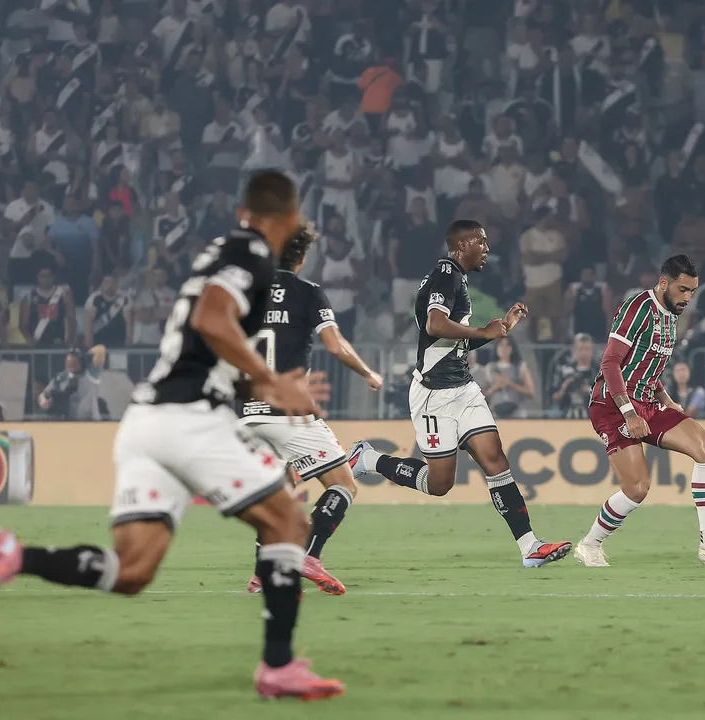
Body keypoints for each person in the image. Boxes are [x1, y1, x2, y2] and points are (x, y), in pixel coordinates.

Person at [0, 172, 345, 701]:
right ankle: (277, 666)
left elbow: (207, 337)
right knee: (288, 520)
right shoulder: (252, 254)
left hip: (147, 422)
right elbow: (214, 320)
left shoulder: (223, 252)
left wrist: (260, 381)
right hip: (189, 417)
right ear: (288, 216)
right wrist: (269, 379)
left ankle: (15, 556)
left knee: (132, 570)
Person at [348, 220, 571, 568]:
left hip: (464, 389)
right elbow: (434, 325)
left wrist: (499, 329)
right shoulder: (446, 274)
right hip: (433, 395)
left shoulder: (457, 278)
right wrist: (483, 331)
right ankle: (369, 459)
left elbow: (450, 340)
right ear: (463, 244)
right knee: (440, 485)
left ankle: (530, 546)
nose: (487, 248)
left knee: (495, 460)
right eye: (481, 242)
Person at [240, 224, 384, 597]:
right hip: (288, 413)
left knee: (281, 490)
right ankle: (309, 555)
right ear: (302, 258)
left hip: (247, 413)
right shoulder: (307, 293)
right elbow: (334, 346)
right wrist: (368, 372)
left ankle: (262, 575)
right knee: (343, 484)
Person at [575, 255, 705, 568]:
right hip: (612, 406)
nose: (688, 297)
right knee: (637, 489)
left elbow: (648, 368)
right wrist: (629, 413)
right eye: (683, 290)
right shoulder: (638, 307)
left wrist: (668, 400)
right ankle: (589, 544)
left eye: (693, 291)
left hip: (648, 402)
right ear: (664, 283)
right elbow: (610, 362)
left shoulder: (671, 315)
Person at [37, 346, 107, 421]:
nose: (71, 363)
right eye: (69, 361)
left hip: (91, 421)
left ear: (81, 361)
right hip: (70, 422)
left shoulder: (92, 374)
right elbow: (45, 393)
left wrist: (86, 354)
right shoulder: (61, 377)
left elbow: (101, 350)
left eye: (74, 361)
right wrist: (43, 400)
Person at [483, 336, 536, 418]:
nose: (504, 349)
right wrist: (496, 387)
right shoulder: (489, 368)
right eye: (501, 345)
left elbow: (530, 392)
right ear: (496, 348)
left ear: (512, 348)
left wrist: (510, 384)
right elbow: (483, 394)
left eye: (507, 345)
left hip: (516, 411)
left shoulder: (520, 366)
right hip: (495, 412)